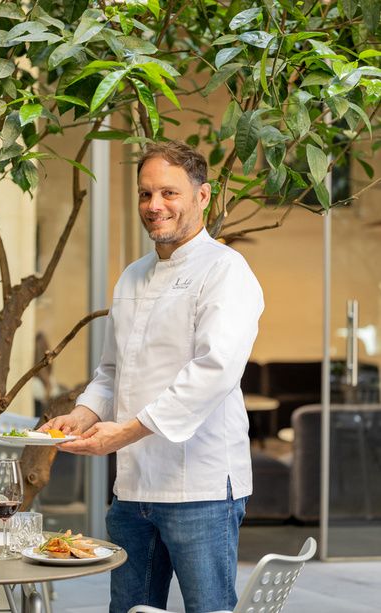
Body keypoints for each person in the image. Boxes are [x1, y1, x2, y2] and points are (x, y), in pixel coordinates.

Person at [42, 141, 264, 613]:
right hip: (133, 488)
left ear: (203, 196)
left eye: (169, 193)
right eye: (145, 194)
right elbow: (111, 371)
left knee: (210, 610)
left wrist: (125, 432)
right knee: (130, 610)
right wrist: (81, 414)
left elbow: (214, 369)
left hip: (198, 486)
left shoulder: (226, 271)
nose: (154, 206)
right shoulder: (133, 276)